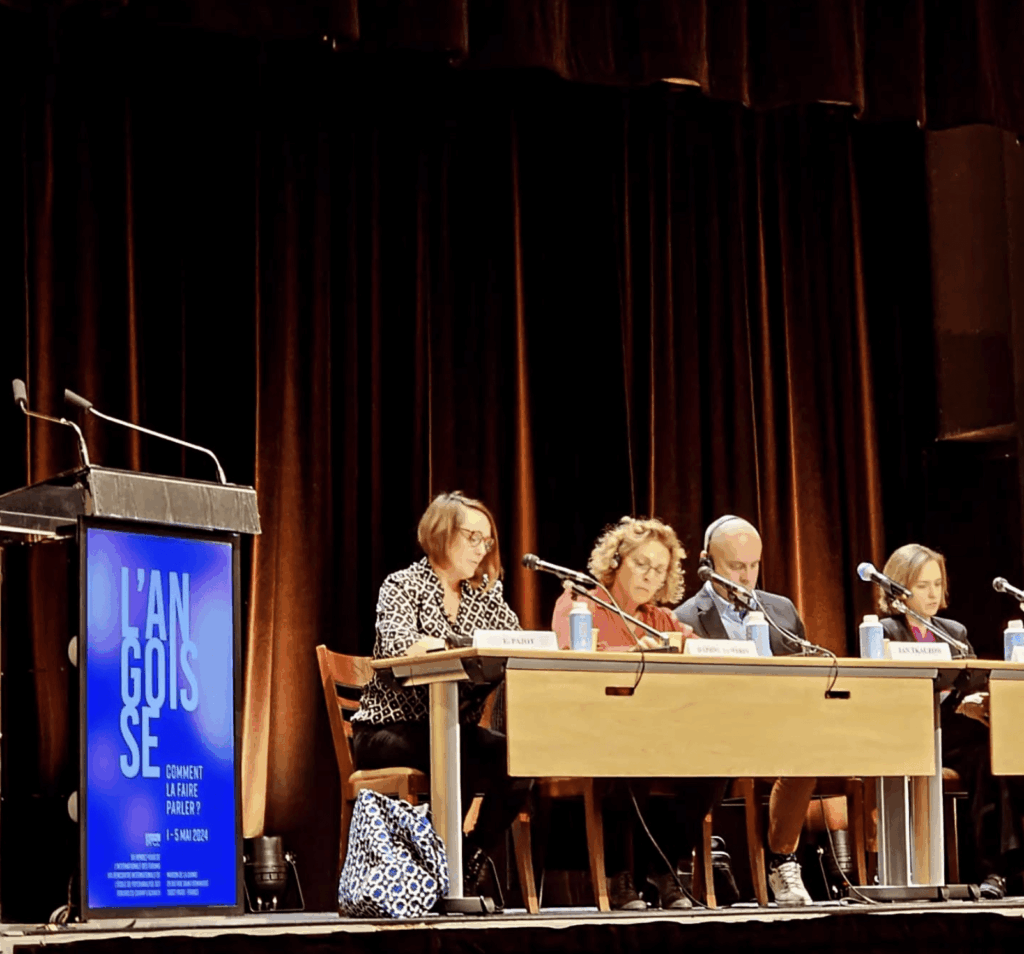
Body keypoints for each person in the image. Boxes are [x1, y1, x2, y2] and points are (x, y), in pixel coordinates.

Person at [351, 492, 533, 896]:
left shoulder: (485, 595)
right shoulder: (402, 585)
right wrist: (453, 647)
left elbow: (516, 643)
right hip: (387, 730)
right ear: (440, 533)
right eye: (472, 537)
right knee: (457, 755)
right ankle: (436, 868)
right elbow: (397, 645)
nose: (481, 549)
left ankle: (466, 857)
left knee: (521, 760)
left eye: (487, 541)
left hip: (451, 729)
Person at [551, 516, 728, 910]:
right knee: (630, 753)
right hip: (592, 729)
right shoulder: (580, 603)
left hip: (655, 732)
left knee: (716, 762)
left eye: (659, 569)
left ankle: (664, 868)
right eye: (642, 564)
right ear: (616, 561)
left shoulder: (661, 619)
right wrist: (631, 653)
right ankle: (618, 876)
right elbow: (571, 657)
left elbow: (699, 650)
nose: (650, 576)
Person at [673, 515, 815, 905]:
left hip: (779, 728)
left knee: (813, 748)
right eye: (736, 566)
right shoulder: (685, 618)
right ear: (707, 564)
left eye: (754, 565)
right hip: (717, 730)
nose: (747, 576)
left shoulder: (781, 610)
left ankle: (782, 860)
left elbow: (806, 673)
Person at [878, 543, 1024, 898]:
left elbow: (973, 681)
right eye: (922, 585)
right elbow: (887, 693)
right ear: (899, 588)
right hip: (913, 736)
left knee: (1001, 755)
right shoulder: (885, 631)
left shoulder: (953, 632)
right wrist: (958, 705)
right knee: (987, 757)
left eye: (937, 584)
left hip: (959, 738)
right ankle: (998, 869)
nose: (933, 593)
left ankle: (1003, 870)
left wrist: (975, 702)